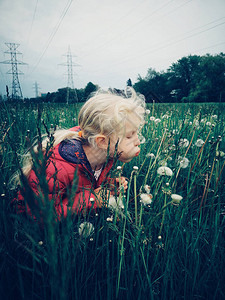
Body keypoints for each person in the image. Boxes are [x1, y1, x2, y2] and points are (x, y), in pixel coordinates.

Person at [13, 87, 146, 221]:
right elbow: (41, 218)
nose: (138, 142)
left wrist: (108, 186)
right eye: (129, 136)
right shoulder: (55, 169)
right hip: (29, 227)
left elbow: (87, 183)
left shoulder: (105, 155)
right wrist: (93, 198)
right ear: (102, 141)